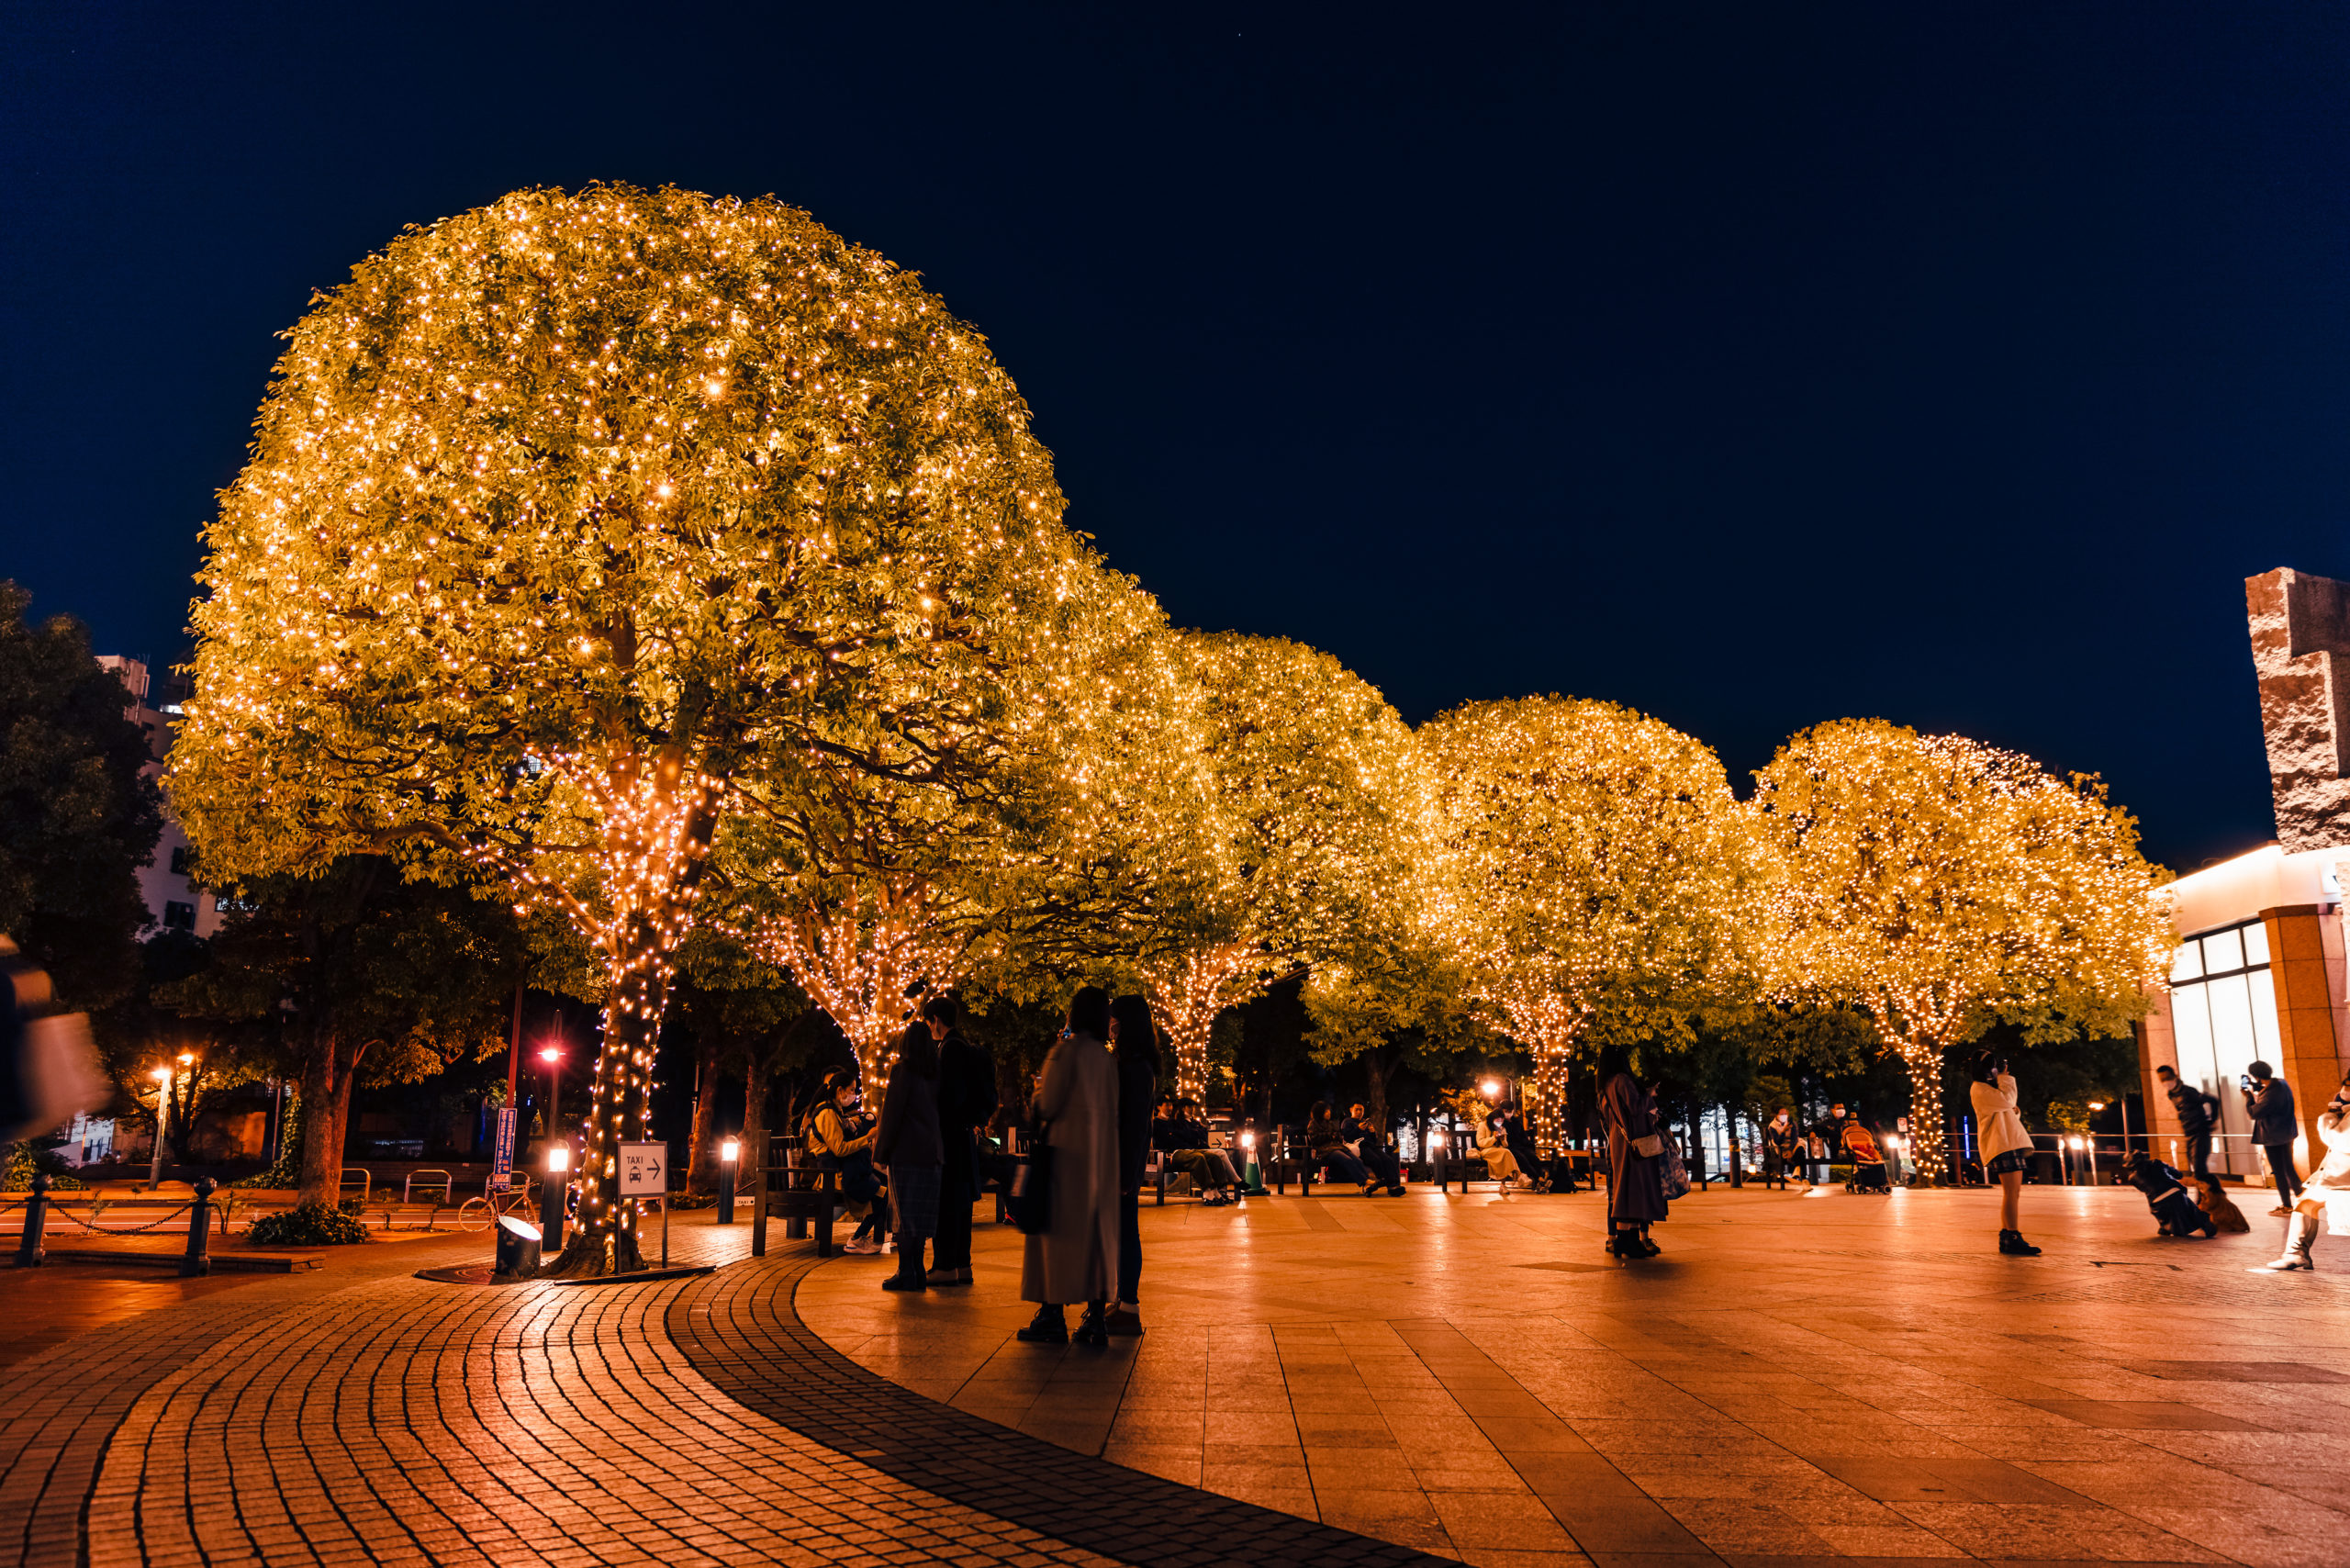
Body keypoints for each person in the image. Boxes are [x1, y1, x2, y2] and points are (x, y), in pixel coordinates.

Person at [1018, 987, 1120, 1345]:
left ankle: (1052, 1314)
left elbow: (1047, 1104)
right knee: (1096, 1239)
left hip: (1064, 1160)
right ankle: (1096, 1317)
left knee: (1056, 1239)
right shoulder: (1107, 1060)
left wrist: (1037, 1091)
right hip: (1101, 1160)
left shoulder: (1065, 1053)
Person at [2252, 1072, 2350, 1273]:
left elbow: (2340, 1139)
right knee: (2305, 1203)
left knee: (2307, 1204)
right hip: (2335, 1176)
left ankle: (2296, 1253)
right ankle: (2295, 1253)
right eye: (2345, 1085)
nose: (2345, 1090)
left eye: (2349, 1086)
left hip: (2342, 1178)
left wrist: (2330, 1117)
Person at [927, 993, 995, 1286]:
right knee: (962, 1203)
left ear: (936, 1020)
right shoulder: (965, 1046)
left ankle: (944, 1266)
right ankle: (962, 1265)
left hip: (949, 1136)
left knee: (946, 1202)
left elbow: (949, 1097)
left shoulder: (949, 1049)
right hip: (964, 1134)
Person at [874, 1019, 943, 1292]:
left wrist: (881, 1151)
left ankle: (906, 1271)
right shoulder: (937, 1073)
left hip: (906, 1152)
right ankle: (918, 1269)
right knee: (922, 1214)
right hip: (933, 1152)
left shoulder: (902, 1071)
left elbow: (892, 1113)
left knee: (903, 1215)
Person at [1107, 994, 1158, 1337]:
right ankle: (1122, 1300)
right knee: (1123, 1231)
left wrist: (1125, 1174)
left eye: (1113, 1020)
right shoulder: (1134, 1063)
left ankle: (1129, 1305)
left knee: (1126, 1232)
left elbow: (1135, 1126)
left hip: (1122, 1165)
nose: (1109, 1026)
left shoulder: (1135, 1067)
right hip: (1123, 1163)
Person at [1598, 1043, 1667, 1257]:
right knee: (1635, 1189)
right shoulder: (1622, 1080)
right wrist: (1649, 1093)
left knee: (1624, 1190)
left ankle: (1625, 1241)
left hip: (1619, 1142)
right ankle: (1631, 1242)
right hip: (1633, 1142)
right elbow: (1636, 1108)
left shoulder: (1605, 1085)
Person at [807, 1070, 887, 1254]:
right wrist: (867, 1137)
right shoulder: (827, 1113)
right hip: (834, 1176)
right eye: (851, 1089)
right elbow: (840, 1149)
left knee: (885, 1187)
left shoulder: (835, 1110)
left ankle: (861, 1237)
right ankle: (857, 1239)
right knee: (883, 1195)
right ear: (840, 1090)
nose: (854, 1094)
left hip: (845, 1170)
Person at [1970, 1050, 2040, 1256]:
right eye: (1995, 1065)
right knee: (2011, 1192)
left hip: (2008, 1142)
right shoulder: (1980, 1088)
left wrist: (2012, 1108)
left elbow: (2009, 1110)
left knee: (2013, 1193)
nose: (1998, 1069)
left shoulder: (1989, 1088)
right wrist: (2004, 1077)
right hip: (2001, 1144)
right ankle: (2012, 1236)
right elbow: (2009, 1102)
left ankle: (2009, 1236)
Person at [1152, 1099, 1243, 1203]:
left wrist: (1191, 1137)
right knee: (1200, 1157)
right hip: (1174, 1152)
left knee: (1215, 1157)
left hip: (1189, 1149)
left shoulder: (1176, 1122)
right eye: (1167, 1105)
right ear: (1159, 1107)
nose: (1170, 1108)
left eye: (1171, 1105)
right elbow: (1174, 1138)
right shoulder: (1163, 1122)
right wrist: (1189, 1138)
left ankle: (1219, 1190)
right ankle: (1208, 1191)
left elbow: (1195, 1134)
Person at [2244, 1061, 2301, 1215]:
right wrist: (2255, 1087)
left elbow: (2253, 1113)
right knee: (2289, 1168)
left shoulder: (2270, 1095)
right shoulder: (2282, 1084)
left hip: (2273, 1137)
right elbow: (2269, 1095)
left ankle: (2287, 1205)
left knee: (2279, 1172)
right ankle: (2302, 1200)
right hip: (2287, 1133)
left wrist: (2248, 1097)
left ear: (2256, 1076)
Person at [2121, 1149, 2217, 1238]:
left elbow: (2144, 1189)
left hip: (2157, 1201)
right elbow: (2179, 1175)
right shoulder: (2157, 1163)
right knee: (2190, 1208)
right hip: (2175, 1192)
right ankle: (2204, 1223)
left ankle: (2165, 1227)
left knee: (2157, 1209)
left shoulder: (2132, 1178)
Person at [2155, 1063, 2220, 1181]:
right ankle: (2206, 1190)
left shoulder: (2188, 1091)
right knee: (2196, 1167)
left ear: (2175, 1076)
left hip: (2200, 1132)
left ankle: (2209, 1190)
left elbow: (2213, 1100)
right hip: (2188, 1134)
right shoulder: (2171, 1095)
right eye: (2162, 1080)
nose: (2166, 1082)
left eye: (2167, 1078)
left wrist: (2213, 1120)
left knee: (2199, 1168)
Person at [1305, 1103, 1375, 1192]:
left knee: (1357, 1160)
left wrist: (1335, 1136)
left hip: (1337, 1147)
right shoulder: (1313, 1124)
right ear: (1320, 1112)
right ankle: (1364, 1181)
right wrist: (1330, 1136)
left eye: (1328, 1111)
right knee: (1347, 1160)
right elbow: (1315, 1139)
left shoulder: (1330, 1123)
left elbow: (1338, 1135)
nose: (1329, 1113)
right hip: (1325, 1150)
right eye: (1326, 1111)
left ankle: (1367, 1181)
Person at [1342, 1103, 1407, 1195]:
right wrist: (1358, 1129)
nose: (1359, 1112)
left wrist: (1372, 1132)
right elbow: (1347, 1137)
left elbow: (1373, 1141)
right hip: (1359, 1148)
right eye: (1357, 1109)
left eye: (1361, 1110)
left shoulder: (1365, 1122)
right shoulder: (1347, 1122)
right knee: (1375, 1160)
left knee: (1388, 1160)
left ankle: (1394, 1186)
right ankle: (1386, 1182)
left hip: (1371, 1146)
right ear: (1351, 1110)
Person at [1472, 1110, 1527, 1189]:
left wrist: (1502, 1139)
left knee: (1504, 1153)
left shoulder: (1502, 1128)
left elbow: (1505, 1145)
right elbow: (1480, 1143)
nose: (1499, 1123)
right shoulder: (1483, 1125)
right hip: (1486, 1151)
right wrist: (1494, 1138)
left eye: (1501, 1121)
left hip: (1499, 1151)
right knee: (1505, 1153)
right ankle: (1518, 1175)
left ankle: (1504, 1185)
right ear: (1492, 1119)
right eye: (1498, 1120)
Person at [1762, 1108, 1800, 1191]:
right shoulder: (1772, 1126)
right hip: (1780, 1147)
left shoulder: (1792, 1123)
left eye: (1785, 1114)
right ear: (1777, 1115)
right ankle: (1798, 1174)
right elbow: (1777, 1141)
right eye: (1781, 1114)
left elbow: (1795, 1139)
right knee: (1799, 1156)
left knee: (1800, 1149)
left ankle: (1800, 1176)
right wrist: (1783, 1131)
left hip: (1792, 1146)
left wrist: (1790, 1149)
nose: (1784, 1116)